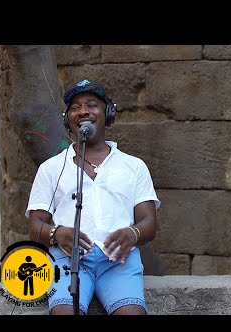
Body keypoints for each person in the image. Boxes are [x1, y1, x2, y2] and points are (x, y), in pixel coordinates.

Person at [25, 79, 160, 315]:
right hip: (67, 260)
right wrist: (57, 233)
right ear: (68, 119)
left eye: (92, 105)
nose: (83, 111)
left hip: (119, 262)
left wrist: (133, 233)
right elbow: (34, 226)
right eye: (75, 107)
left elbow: (149, 223)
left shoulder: (134, 166)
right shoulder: (51, 168)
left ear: (108, 114)